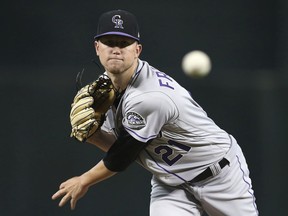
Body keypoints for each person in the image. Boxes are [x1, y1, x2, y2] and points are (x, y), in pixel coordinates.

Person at [52, 9, 259, 216]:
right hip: (171, 184)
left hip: (220, 176)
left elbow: (122, 157)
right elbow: (123, 149)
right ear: (97, 48)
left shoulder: (149, 97)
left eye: (124, 43)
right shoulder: (104, 89)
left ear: (137, 50)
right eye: (109, 42)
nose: (116, 49)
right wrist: (93, 135)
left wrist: (84, 180)